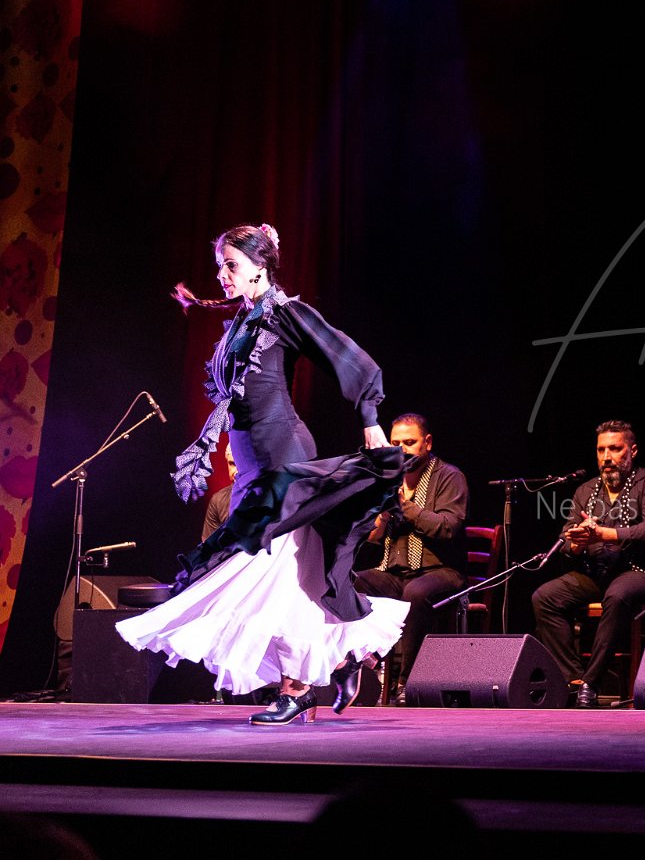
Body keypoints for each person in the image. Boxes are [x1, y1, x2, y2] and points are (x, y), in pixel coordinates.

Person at [116, 223, 408, 725]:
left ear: (260, 266)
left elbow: (348, 358)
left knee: (280, 578)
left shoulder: (286, 313)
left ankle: (297, 689)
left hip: (283, 459)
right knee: (272, 574)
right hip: (252, 464)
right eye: (220, 266)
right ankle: (345, 657)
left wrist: (370, 419)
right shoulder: (242, 321)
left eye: (231, 265)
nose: (222, 275)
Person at [531, 420, 645, 707]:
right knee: (545, 597)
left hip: (638, 571)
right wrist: (576, 542)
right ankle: (573, 680)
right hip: (596, 573)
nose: (607, 457)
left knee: (617, 595)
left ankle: (591, 683)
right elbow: (566, 538)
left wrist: (604, 534)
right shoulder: (586, 490)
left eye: (615, 449)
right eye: (601, 450)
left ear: (632, 451)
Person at [354, 413, 469, 706]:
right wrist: (381, 515)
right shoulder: (388, 478)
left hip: (441, 571)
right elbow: (372, 538)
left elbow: (447, 527)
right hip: (395, 572)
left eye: (409, 442)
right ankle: (369, 669)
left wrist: (405, 507)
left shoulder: (449, 476)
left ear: (427, 442)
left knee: (415, 594)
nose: (402, 449)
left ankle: (408, 681)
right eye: (395, 443)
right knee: (351, 582)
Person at [200, 442, 236, 542]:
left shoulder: (269, 492)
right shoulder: (218, 501)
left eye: (241, 465)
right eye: (232, 464)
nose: (236, 471)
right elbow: (208, 546)